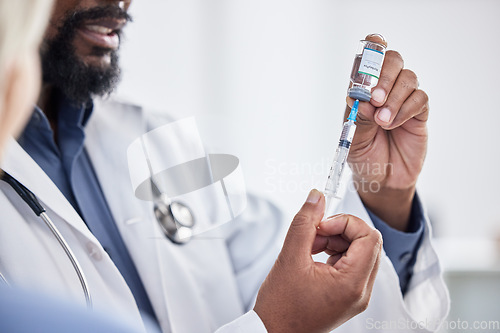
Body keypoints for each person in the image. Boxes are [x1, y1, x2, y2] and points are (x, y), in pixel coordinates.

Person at [0, 1, 449, 333]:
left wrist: (385, 195)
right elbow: (287, 314)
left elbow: (319, 290)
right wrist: (275, 328)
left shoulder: (160, 140)